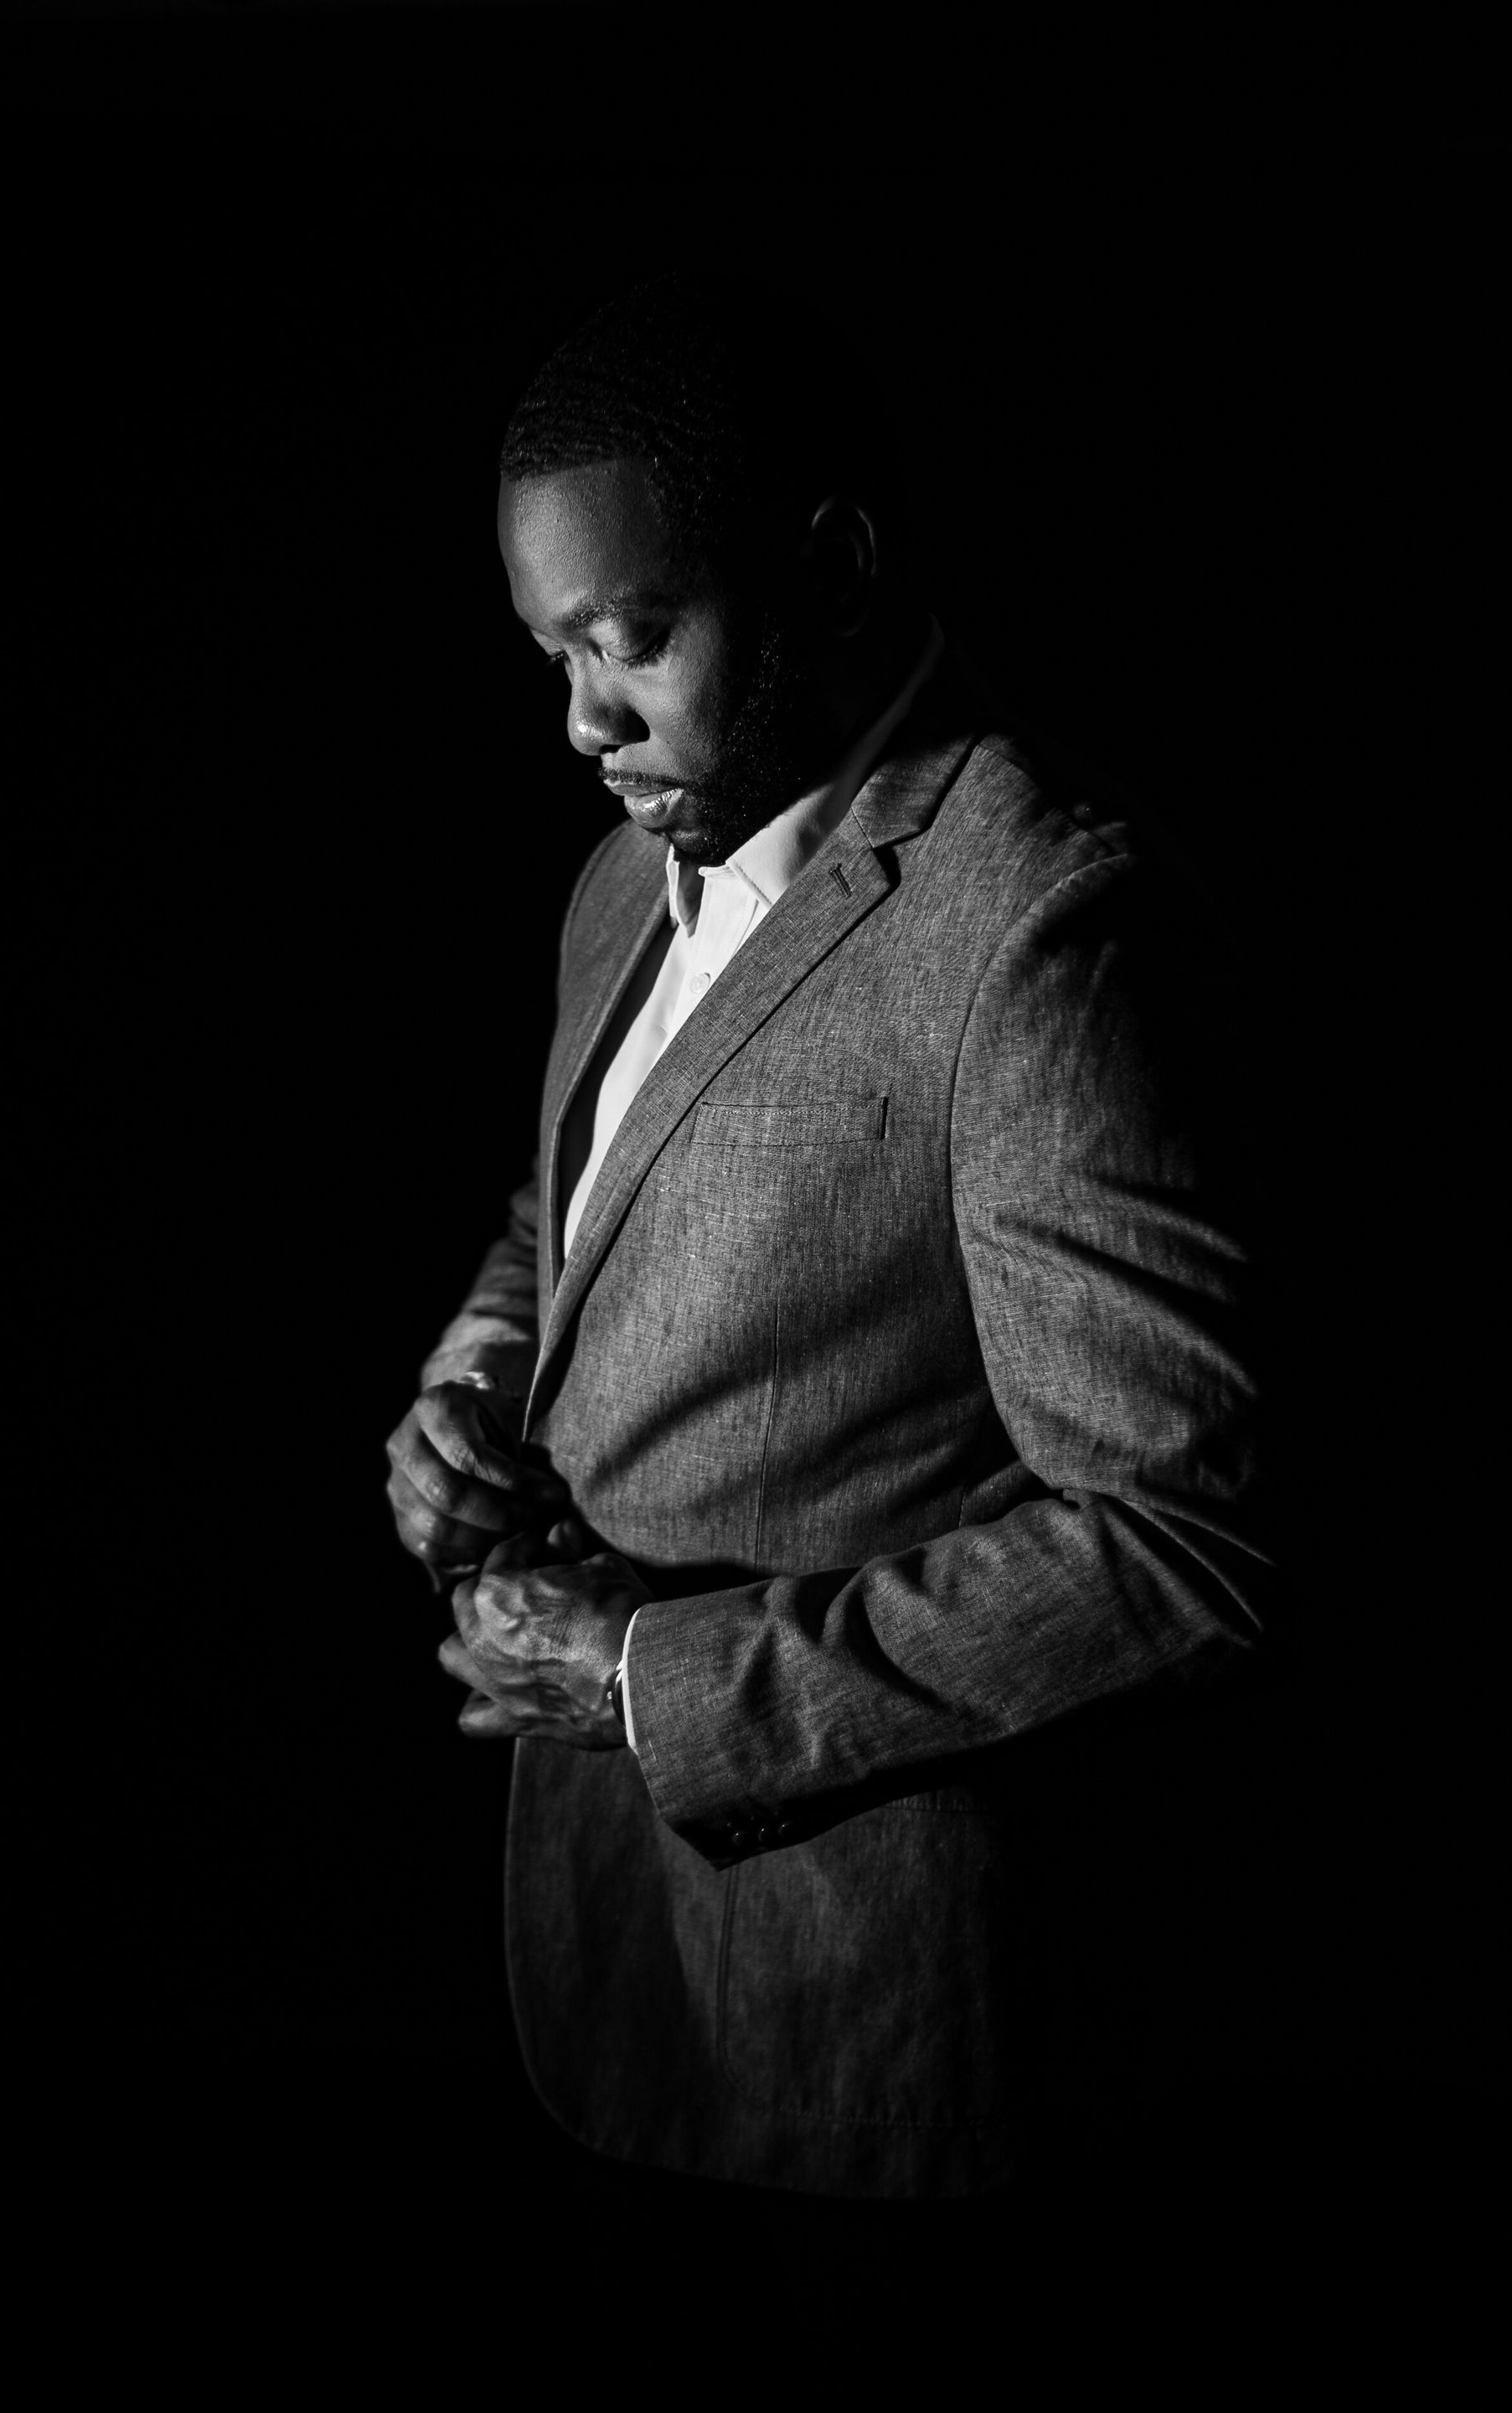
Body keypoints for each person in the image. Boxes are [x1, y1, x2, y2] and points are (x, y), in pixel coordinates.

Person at [384, 274, 1274, 2201]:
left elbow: (1189, 1547)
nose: (579, 720)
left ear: (838, 565)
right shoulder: (630, 866)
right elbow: (574, 1203)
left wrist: (649, 1685)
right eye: (549, 654)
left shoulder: (1040, 931)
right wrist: (470, 1378)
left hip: (880, 2037)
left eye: (632, 638)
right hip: (613, 1968)